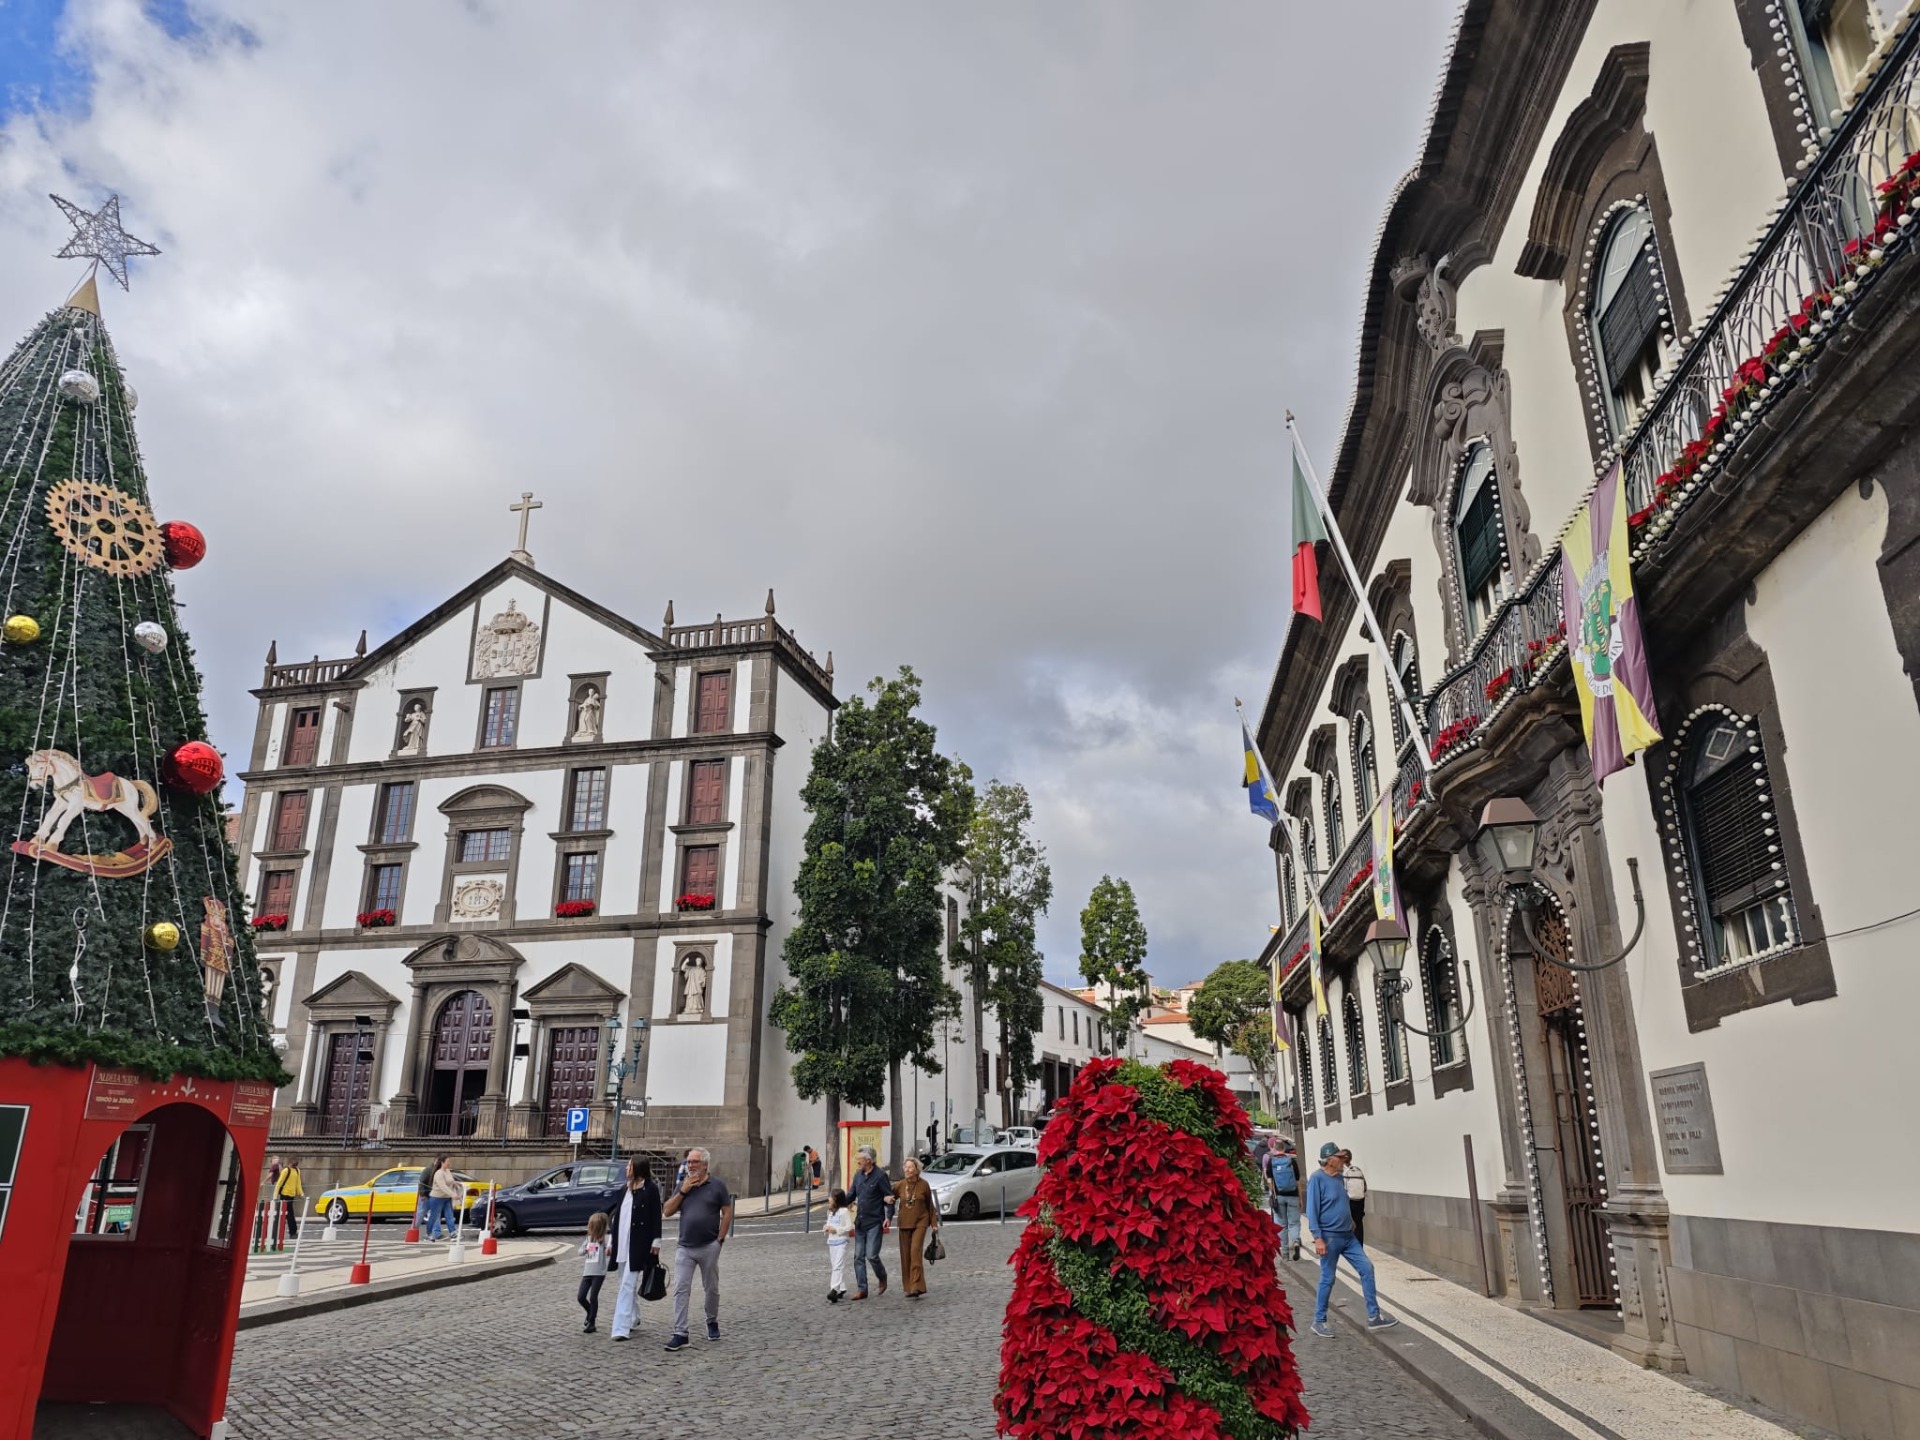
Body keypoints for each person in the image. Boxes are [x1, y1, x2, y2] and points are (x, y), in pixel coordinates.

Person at [1305, 1141, 1398, 1339]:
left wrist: (1351, 1220)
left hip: (1348, 1236)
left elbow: (1343, 1201)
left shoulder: (1340, 1178)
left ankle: (1374, 1316)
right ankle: (1319, 1320)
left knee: (1367, 1268)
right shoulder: (1316, 1179)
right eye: (1340, 1157)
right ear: (1330, 1160)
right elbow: (1312, 1210)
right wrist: (1317, 1238)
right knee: (1328, 1278)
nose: (1343, 1160)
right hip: (1329, 1238)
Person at [660, 1147, 733, 1351]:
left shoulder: (717, 1185)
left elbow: (727, 1212)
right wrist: (683, 1191)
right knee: (680, 1289)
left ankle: (711, 1320)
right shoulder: (683, 1185)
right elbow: (667, 1211)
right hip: (685, 1247)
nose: (690, 1165)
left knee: (711, 1288)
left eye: (695, 1162)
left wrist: (720, 1240)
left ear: (705, 1165)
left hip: (709, 1246)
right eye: (689, 1162)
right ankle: (680, 1333)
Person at [606, 1157, 663, 1342]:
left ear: (638, 1168)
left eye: (629, 1165)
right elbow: (617, 1218)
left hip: (639, 1243)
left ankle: (620, 1328)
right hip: (622, 1242)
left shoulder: (651, 1189)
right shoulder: (624, 1189)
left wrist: (656, 1241)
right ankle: (634, 1317)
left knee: (627, 1284)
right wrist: (611, 1241)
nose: (626, 1168)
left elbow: (656, 1216)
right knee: (623, 1281)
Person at [845, 1144, 892, 1300]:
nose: (858, 1161)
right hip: (860, 1222)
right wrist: (838, 1202)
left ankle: (882, 1276)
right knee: (858, 1256)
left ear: (868, 1160)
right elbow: (851, 1195)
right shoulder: (858, 1175)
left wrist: (888, 1217)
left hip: (874, 1222)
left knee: (871, 1255)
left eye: (860, 1159)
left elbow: (889, 1197)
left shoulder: (880, 1176)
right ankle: (862, 1289)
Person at [891, 1156, 940, 1300]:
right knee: (906, 1256)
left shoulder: (924, 1185)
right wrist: (887, 1201)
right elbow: (889, 1196)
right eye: (905, 1167)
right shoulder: (900, 1185)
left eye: (910, 1167)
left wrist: (934, 1224)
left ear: (916, 1170)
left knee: (915, 1252)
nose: (907, 1170)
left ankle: (917, 1286)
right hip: (904, 1223)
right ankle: (908, 1287)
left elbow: (930, 1206)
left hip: (920, 1222)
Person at [1264, 1136, 1304, 1262]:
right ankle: (1296, 1241)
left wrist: (1273, 1194)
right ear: (1285, 1148)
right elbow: (1298, 1181)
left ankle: (1285, 1253)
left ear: (1274, 1148)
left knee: (1281, 1224)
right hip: (1293, 1196)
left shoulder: (1271, 1162)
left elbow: (1269, 1181)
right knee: (1294, 1222)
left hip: (1279, 1197)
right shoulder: (1291, 1161)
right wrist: (1300, 1198)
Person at [578, 1212, 611, 1333]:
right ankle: (589, 1312)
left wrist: (608, 1250)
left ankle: (592, 1322)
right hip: (587, 1272)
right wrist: (587, 1248)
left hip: (599, 1273)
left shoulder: (605, 1239)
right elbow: (580, 1252)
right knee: (581, 1297)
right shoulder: (588, 1239)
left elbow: (610, 1250)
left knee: (593, 1297)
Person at [823, 1187, 855, 1302]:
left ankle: (834, 1290)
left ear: (836, 1199)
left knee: (838, 1265)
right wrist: (826, 1228)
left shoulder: (844, 1211)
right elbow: (828, 1223)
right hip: (832, 1241)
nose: (829, 1199)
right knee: (835, 1265)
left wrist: (836, 1230)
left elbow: (850, 1227)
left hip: (842, 1241)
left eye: (830, 1197)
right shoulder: (830, 1212)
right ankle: (842, 1288)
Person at [427, 1157, 461, 1240]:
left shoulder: (448, 1171)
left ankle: (453, 1232)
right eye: (447, 1161)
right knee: (435, 1216)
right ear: (442, 1162)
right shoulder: (438, 1173)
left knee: (449, 1215)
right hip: (437, 1197)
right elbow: (443, 1186)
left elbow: (450, 1181)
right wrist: (453, 1194)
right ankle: (432, 1234)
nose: (449, 1163)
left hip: (446, 1197)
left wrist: (455, 1183)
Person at [1339, 1149, 1368, 1245]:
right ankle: (1359, 1247)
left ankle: (1350, 1247)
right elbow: (1365, 1188)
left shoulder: (1341, 1172)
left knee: (1349, 1227)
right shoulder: (1357, 1170)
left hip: (1348, 1202)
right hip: (1360, 1202)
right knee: (1359, 1225)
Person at [272, 1156, 303, 1245]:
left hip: (291, 1195)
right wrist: (275, 1196)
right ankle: (292, 1232)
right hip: (285, 1194)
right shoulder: (286, 1171)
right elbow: (279, 1183)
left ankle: (290, 1232)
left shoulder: (297, 1171)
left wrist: (301, 1193)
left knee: (286, 1214)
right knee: (288, 1214)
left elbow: (298, 1183)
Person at [413, 1158, 436, 1234]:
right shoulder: (428, 1170)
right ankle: (414, 1230)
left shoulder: (436, 1170)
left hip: (432, 1195)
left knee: (434, 1214)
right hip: (426, 1195)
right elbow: (421, 1182)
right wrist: (422, 1194)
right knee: (421, 1213)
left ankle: (435, 1233)